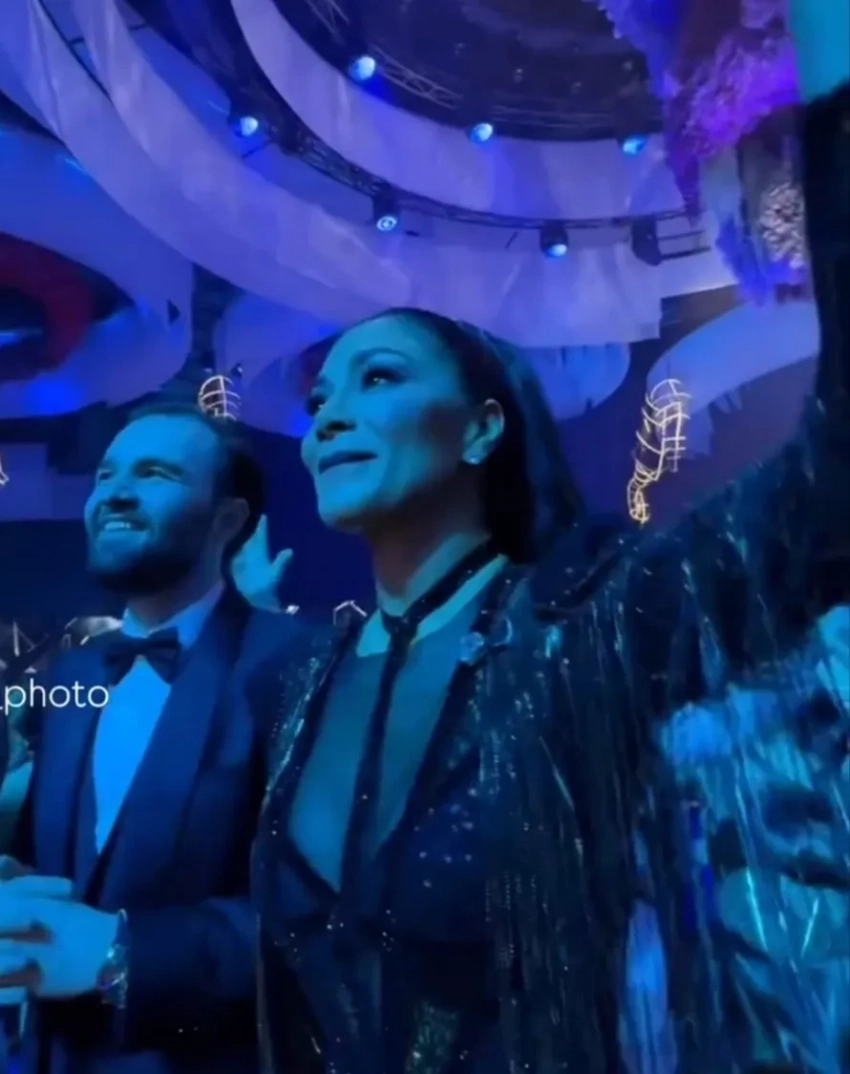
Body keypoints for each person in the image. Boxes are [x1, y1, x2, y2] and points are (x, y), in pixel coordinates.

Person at [245, 18, 849, 1071]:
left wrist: (833, 85)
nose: (329, 413)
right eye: (322, 395)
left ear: (484, 427)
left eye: (379, 378)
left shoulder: (587, 629)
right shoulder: (297, 683)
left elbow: (826, 481)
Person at [0, 401, 300, 1074]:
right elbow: (58, 858)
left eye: (155, 474)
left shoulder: (293, 663)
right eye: (105, 476)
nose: (115, 493)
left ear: (228, 519)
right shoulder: (74, 674)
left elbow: (326, 916)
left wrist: (124, 957)